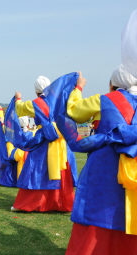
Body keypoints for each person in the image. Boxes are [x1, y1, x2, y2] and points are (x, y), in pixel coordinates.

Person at [65, 69, 137, 254]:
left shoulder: (103, 99)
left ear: (112, 84)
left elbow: (73, 110)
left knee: (97, 207)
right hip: (133, 162)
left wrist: (78, 87)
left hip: (104, 162)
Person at [11, 75, 77, 212]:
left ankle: (33, 203)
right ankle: (62, 203)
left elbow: (19, 109)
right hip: (60, 141)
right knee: (62, 170)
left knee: (36, 170)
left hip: (43, 140)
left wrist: (18, 98)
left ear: (36, 91)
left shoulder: (35, 103)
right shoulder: (60, 101)